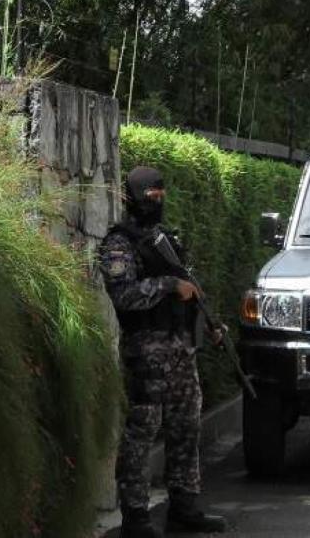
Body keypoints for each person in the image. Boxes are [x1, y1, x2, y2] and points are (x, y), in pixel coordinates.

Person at [99, 166, 227, 537]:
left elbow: (193, 290)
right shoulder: (119, 244)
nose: (157, 201)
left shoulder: (164, 239)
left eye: (161, 195)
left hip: (181, 351)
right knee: (142, 433)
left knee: (186, 428)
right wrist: (170, 284)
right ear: (134, 197)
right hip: (147, 351)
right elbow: (124, 296)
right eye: (150, 196)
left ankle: (184, 507)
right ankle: (136, 518)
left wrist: (211, 325)